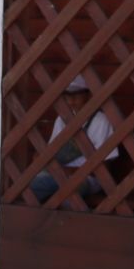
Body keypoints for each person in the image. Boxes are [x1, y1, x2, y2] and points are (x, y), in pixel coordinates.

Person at [30, 74, 120, 208]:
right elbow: (51, 151)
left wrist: (72, 172)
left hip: (89, 178)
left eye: (76, 94)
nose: (71, 100)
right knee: (31, 187)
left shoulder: (100, 121)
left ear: (88, 94)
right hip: (58, 173)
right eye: (67, 95)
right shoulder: (62, 119)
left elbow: (105, 164)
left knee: (70, 195)